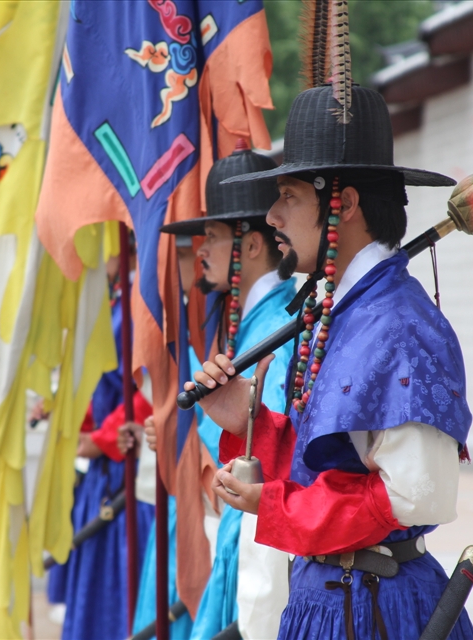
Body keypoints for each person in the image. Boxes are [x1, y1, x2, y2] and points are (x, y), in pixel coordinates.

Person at [188, 84, 473, 639]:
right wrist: (248, 419)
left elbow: (415, 494)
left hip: (374, 610)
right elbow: (331, 463)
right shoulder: (342, 309)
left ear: (342, 204)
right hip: (331, 598)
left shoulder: (401, 325)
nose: (272, 215)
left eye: (288, 197)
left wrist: (277, 506)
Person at [127, 142, 295, 639]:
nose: (200, 249)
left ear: (252, 245)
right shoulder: (246, 321)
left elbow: (265, 451)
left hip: (249, 530)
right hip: (227, 523)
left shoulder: (277, 332)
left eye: (214, 237)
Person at [47, 253, 155, 640]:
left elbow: (151, 387)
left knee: (121, 595)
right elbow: (98, 385)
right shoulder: (115, 294)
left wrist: (102, 438)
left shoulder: (140, 298)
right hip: (105, 469)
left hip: (126, 467)